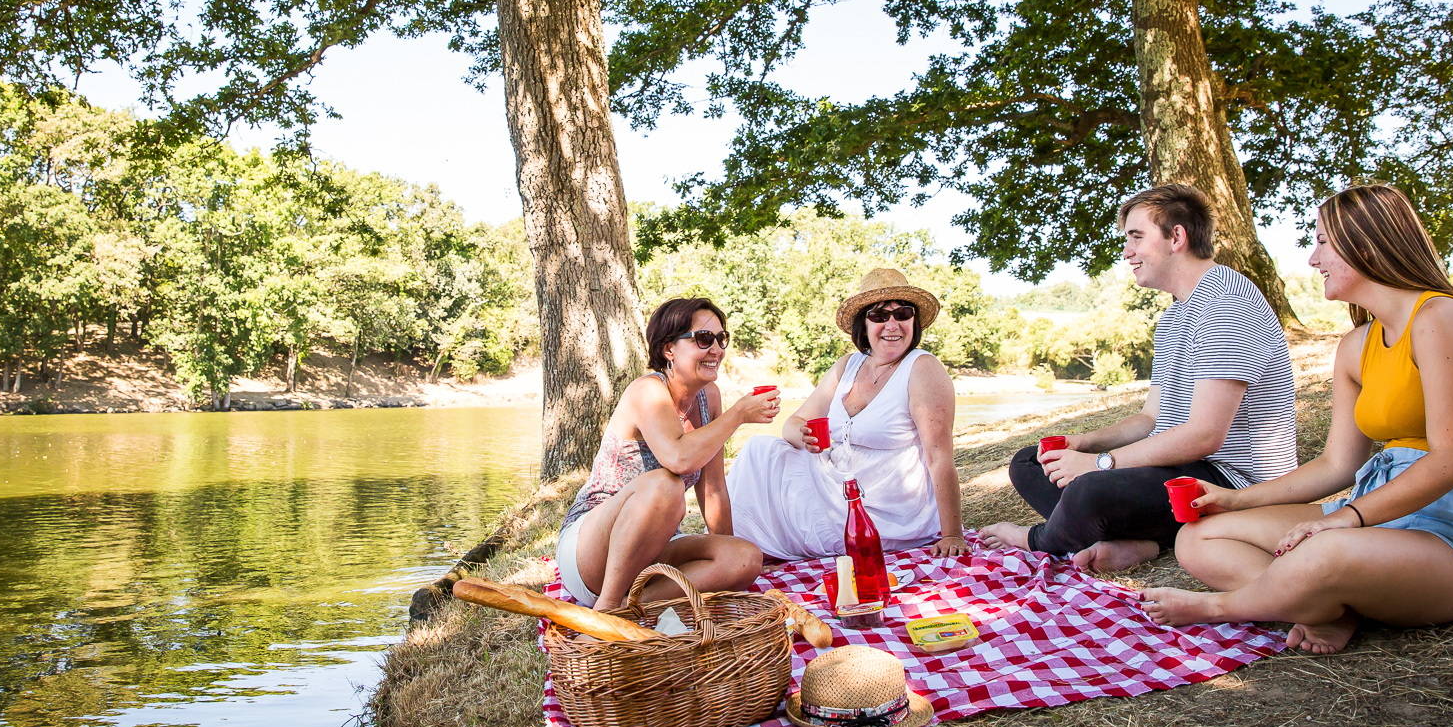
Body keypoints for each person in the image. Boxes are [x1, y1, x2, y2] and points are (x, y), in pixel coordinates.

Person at [1141, 183, 1453, 653]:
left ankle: (1226, 606)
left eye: (1322, 241)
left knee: (1323, 551)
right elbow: (1336, 466)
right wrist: (1236, 501)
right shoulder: (1356, 346)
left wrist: (1348, 519)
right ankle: (1323, 606)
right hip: (1377, 514)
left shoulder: (1443, 320)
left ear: (1366, 245)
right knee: (1198, 537)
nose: (1312, 258)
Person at [977, 183, 1298, 572]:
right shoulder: (1175, 316)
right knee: (1031, 462)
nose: (1126, 251)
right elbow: (1151, 419)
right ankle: (1142, 541)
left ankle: (1038, 538)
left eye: (1136, 237)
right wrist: (1084, 443)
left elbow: (1204, 435)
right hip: (1177, 465)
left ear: (1176, 237)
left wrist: (1099, 464)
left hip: (1229, 480)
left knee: (1089, 491)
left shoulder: (1226, 306)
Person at [727, 268, 966, 561]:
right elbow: (793, 424)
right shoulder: (848, 366)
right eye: (879, 316)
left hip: (889, 509)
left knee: (764, 468)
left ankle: (749, 553)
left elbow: (939, 456)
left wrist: (952, 534)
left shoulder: (923, 368)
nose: (892, 324)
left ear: (913, 321)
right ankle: (734, 552)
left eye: (902, 313)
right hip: (834, 487)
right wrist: (804, 438)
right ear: (863, 325)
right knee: (758, 450)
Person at [554, 297, 774, 611]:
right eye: (703, 338)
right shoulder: (647, 391)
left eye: (721, 338)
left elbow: (712, 490)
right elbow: (678, 458)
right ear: (669, 349)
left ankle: (633, 605)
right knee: (665, 485)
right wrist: (739, 415)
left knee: (745, 557)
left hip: (655, 547)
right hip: (592, 548)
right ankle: (607, 607)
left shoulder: (708, 398)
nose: (717, 349)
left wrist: (726, 552)